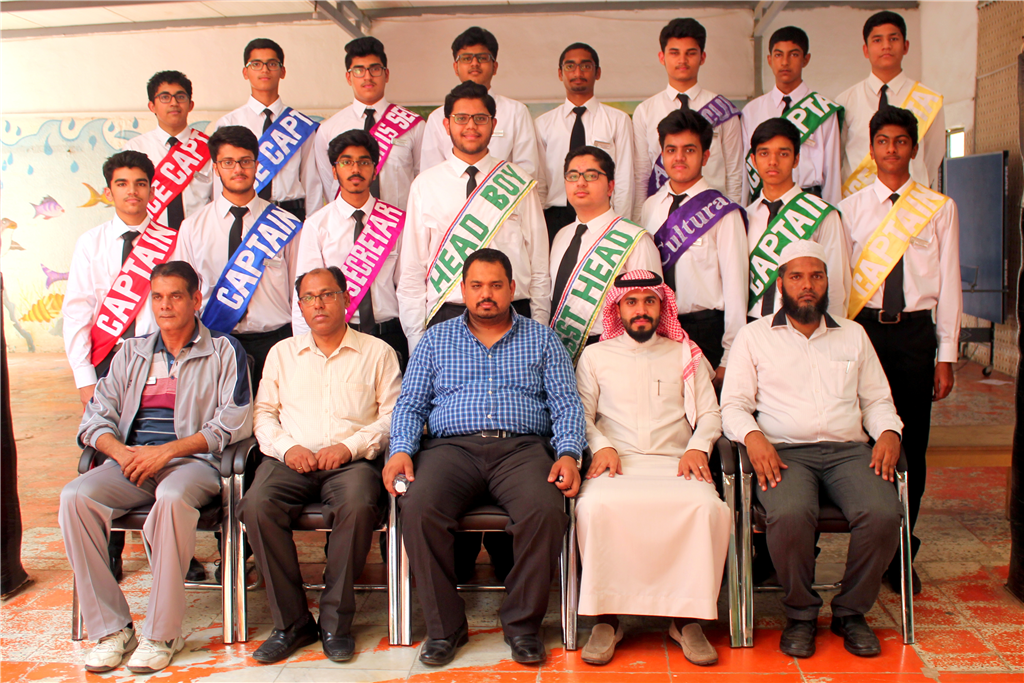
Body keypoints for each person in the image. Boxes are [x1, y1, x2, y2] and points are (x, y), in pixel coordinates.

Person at [384, 249, 585, 667]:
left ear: (512, 288)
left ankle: (522, 626)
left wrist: (568, 453)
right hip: (451, 451)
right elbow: (410, 405)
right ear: (463, 289)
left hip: (522, 449)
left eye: (495, 285)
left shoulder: (543, 339)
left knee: (546, 511)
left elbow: (566, 404)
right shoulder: (435, 340)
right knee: (418, 507)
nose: (486, 294)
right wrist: (400, 449)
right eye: (476, 286)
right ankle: (445, 628)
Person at [59, 261, 252, 674]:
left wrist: (167, 452)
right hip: (133, 463)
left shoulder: (223, 351)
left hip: (194, 464)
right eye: (158, 297)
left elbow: (235, 421)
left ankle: (163, 633)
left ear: (196, 300)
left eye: (175, 296)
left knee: (171, 495)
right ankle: (112, 629)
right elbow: (94, 418)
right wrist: (120, 452)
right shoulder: (130, 353)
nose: (165, 305)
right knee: (75, 497)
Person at [720, 240, 904, 659]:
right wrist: (753, 438)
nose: (807, 285)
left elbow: (877, 400)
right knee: (789, 514)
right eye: (797, 277)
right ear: (781, 283)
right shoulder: (754, 337)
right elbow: (733, 406)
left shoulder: (853, 335)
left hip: (848, 452)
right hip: (784, 452)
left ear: (826, 283)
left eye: (816, 276)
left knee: (882, 513)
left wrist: (890, 432)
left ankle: (850, 613)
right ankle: (801, 614)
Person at [241, 266, 401, 664]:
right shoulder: (282, 354)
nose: (318, 304)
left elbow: (393, 416)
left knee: (358, 506)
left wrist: (349, 447)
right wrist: (287, 448)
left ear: (346, 298)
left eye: (327, 294)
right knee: (256, 506)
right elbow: (263, 414)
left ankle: (334, 622)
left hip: (351, 464)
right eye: (309, 298)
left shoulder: (378, 352)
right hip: (290, 461)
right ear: (300, 306)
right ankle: (292, 622)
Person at [574, 270, 729, 667]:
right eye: (631, 302)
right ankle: (606, 619)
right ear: (618, 308)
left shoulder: (685, 353)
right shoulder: (595, 356)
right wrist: (602, 446)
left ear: (663, 307)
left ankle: (687, 619)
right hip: (616, 464)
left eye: (649, 301)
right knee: (593, 508)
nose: (640, 310)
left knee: (706, 509)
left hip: (676, 463)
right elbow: (581, 416)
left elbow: (711, 414)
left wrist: (697, 448)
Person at [839, 105, 960, 594]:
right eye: (883, 141)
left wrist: (946, 354)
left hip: (914, 336)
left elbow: (949, 283)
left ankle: (901, 553)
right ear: (871, 149)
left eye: (901, 141)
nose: (891, 149)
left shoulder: (938, 207)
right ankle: (870, 544)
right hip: (863, 331)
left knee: (912, 444)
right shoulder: (849, 209)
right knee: (861, 441)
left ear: (913, 148)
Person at [397, 81, 549, 352]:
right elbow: (412, 270)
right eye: (461, 118)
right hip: (447, 317)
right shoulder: (425, 185)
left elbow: (538, 265)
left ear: (493, 124)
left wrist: (539, 328)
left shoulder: (519, 181)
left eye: (480, 118)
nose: (471, 126)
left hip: (515, 316)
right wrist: (416, 340)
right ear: (447, 125)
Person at [173, 125, 300, 390]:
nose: (238, 169)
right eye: (228, 162)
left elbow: (298, 292)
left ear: (257, 165)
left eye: (245, 161)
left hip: (275, 343)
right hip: (214, 341)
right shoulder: (193, 227)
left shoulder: (286, 224)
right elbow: (183, 294)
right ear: (215, 168)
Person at [639, 109, 747, 388]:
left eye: (689, 150)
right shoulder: (651, 206)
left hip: (706, 331)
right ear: (662, 155)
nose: (679, 158)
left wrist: (730, 355)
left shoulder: (723, 212)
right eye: (671, 150)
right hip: (659, 329)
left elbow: (736, 288)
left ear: (705, 156)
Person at [295, 130, 408, 369]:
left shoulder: (397, 221)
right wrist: (304, 349)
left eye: (364, 162)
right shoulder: (317, 224)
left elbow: (407, 286)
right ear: (334, 171)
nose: (355, 169)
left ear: (375, 170)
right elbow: (306, 293)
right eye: (346, 162)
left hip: (391, 333)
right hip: (339, 336)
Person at [550, 146, 662, 356]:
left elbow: (650, 310)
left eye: (591, 175)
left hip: (612, 352)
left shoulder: (635, 239)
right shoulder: (560, 237)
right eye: (572, 176)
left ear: (610, 186)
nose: (580, 182)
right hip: (559, 352)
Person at [632, 17, 744, 218]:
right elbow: (641, 175)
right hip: (661, 216)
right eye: (674, 53)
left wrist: (734, 214)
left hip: (711, 214)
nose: (682, 60)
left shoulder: (723, 109)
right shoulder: (645, 111)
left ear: (702, 57)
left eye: (690, 53)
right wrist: (640, 219)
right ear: (662, 57)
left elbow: (735, 172)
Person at [418, 26, 545, 200]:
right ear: (456, 67)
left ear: (495, 66)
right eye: (466, 58)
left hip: (502, 206)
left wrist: (490, 204)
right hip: (450, 206)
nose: (474, 63)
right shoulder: (437, 117)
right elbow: (431, 173)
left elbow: (527, 171)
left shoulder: (516, 111)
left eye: (482, 58)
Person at [745, 118, 848, 322]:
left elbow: (836, 283)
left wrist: (833, 332)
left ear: (796, 159)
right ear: (754, 161)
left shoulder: (821, 213)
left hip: (803, 323)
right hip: (752, 324)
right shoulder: (743, 216)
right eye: (764, 153)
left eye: (783, 154)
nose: (773, 161)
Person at [836, 11, 944, 197]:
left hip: (910, 202)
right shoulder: (845, 102)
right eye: (877, 40)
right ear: (866, 50)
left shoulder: (928, 100)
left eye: (893, 39)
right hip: (858, 204)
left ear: (906, 46)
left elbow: (932, 158)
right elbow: (838, 157)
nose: (886, 46)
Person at [212, 38, 323, 220]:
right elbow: (221, 181)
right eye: (256, 64)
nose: (264, 70)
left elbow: (311, 180)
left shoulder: (300, 124)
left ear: (282, 71)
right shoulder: (228, 123)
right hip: (245, 214)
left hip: (291, 214)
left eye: (272, 64)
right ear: (245, 72)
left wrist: (314, 224)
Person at [534, 43, 634, 242]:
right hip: (555, 216)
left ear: (598, 72)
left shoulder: (618, 120)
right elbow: (540, 181)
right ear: (560, 73)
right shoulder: (543, 124)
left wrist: (620, 224)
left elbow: (624, 178)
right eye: (570, 66)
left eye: (586, 66)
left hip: (603, 213)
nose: (578, 72)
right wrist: (539, 223)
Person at [313, 37, 424, 210]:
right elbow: (329, 184)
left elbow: (423, 180)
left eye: (375, 69)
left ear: (386, 75)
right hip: (349, 223)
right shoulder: (329, 129)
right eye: (359, 70)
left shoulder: (414, 126)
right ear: (348, 77)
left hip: (400, 223)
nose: (368, 76)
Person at [740, 27, 843, 205]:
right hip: (765, 203)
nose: (785, 62)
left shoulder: (822, 109)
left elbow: (832, 172)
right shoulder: (752, 110)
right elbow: (745, 170)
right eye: (778, 55)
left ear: (806, 59)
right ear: (769, 60)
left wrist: (833, 213)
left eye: (794, 55)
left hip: (810, 204)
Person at [124, 70, 214, 230]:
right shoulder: (135, 148)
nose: (174, 103)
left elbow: (219, 200)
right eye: (165, 97)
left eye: (180, 97)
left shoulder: (210, 147)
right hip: (152, 239)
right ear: (152, 106)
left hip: (200, 236)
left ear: (190, 105)